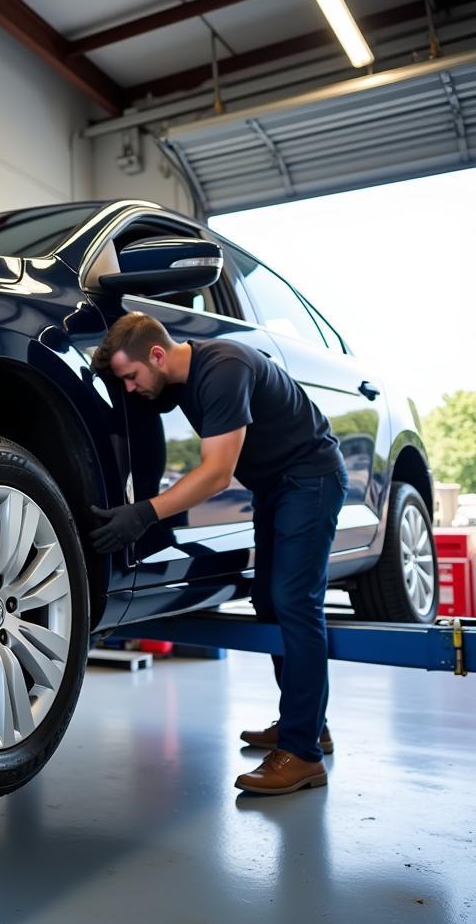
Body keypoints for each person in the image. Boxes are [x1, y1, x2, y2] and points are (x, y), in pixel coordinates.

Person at [91, 311, 348, 795]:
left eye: (130, 377)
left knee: (295, 603)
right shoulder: (176, 381)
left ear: (158, 355)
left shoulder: (223, 368)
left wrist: (144, 514)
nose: (129, 388)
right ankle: (307, 724)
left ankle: (302, 754)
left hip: (310, 480)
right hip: (276, 488)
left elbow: (215, 474)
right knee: (269, 604)